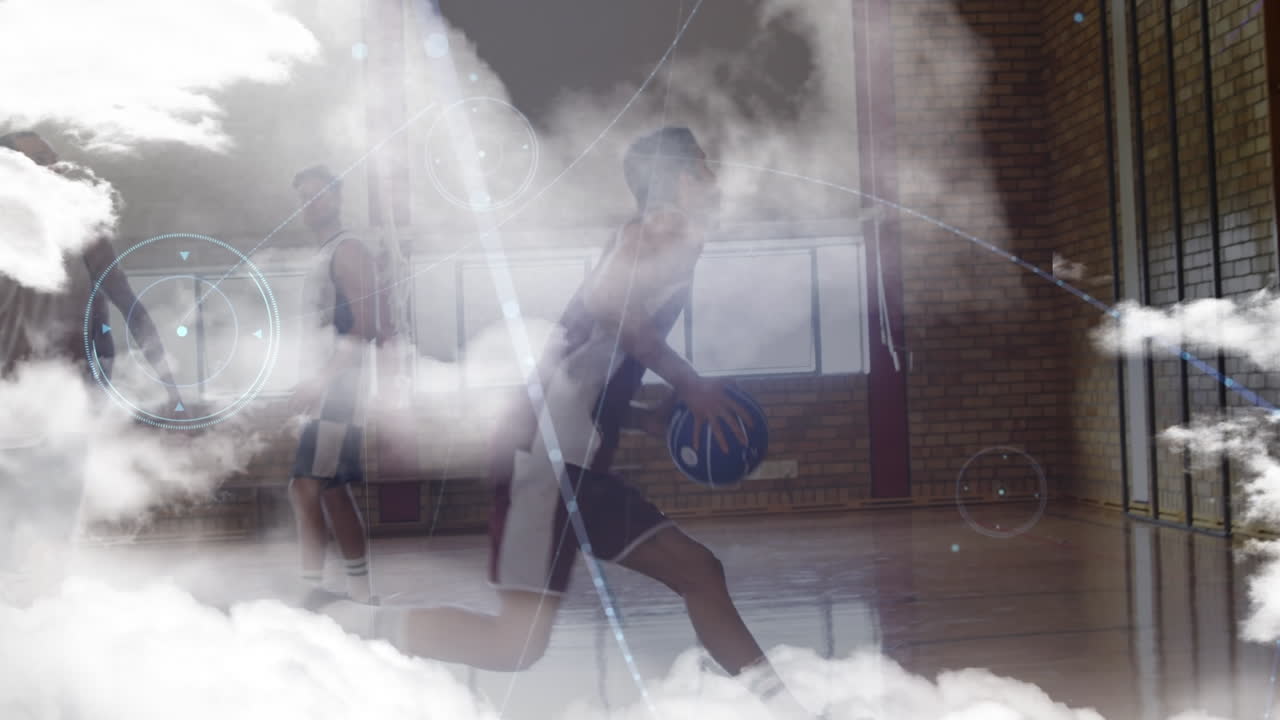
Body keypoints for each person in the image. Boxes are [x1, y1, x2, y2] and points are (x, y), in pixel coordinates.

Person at [308, 128, 812, 715]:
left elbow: (593, 349)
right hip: (545, 460)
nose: (715, 178)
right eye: (704, 167)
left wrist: (645, 415)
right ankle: (350, 627)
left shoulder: (665, 235)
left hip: (572, 461)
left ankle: (787, 709)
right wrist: (690, 385)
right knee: (514, 644)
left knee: (699, 572)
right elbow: (604, 305)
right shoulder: (660, 230)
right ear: (678, 178)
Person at [0, 129, 187, 603]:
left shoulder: (79, 223)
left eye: (54, 160)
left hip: (66, 388)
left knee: (56, 506)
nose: (56, 169)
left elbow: (125, 301)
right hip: (15, 392)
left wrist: (168, 380)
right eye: (40, 162)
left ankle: (46, 606)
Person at [287, 165, 394, 604]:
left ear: (337, 197)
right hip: (329, 387)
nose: (314, 204)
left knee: (305, 486)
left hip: (340, 389)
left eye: (321, 195)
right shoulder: (327, 251)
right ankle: (362, 593)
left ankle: (315, 591)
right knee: (330, 489)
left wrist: (324, 381)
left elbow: (367, 324)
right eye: (306, 197)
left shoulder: (348, 250)